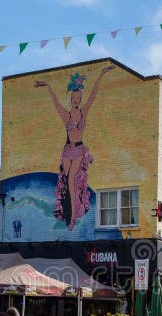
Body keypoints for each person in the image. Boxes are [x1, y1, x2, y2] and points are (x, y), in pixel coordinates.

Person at [34, 65, 114, 230]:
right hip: (67, 151)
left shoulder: (84, 112)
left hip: (79, 150)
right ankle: (66, 213)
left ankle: (71, 219)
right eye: (73, 97)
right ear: (71, 98)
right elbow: (55, 102)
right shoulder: (66, 115)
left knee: (71, 180)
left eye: (77, 98)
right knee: (65, 182)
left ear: (80, 99)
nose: (75, 100)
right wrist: (48, 86)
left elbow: (93, 94)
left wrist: (101, 74)